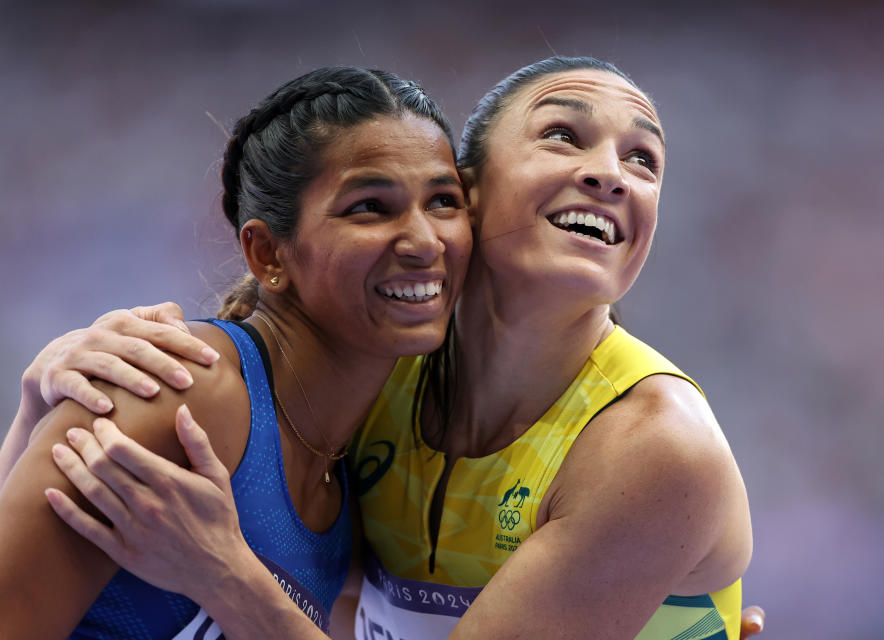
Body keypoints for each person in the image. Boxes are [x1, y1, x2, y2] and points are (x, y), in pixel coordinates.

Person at [7, 57, 759, 639]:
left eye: (645, 160)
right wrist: (38, 409)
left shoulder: (657, 448)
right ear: (476, 191)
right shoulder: (358, 391)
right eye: (563, 134)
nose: (609, 174)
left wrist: (225, 575)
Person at [0, 65, 472, 639]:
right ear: (267, 254)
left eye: (444, 200)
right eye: (369, 206)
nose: (425, 241)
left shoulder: (353, 464)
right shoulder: (176, 388)